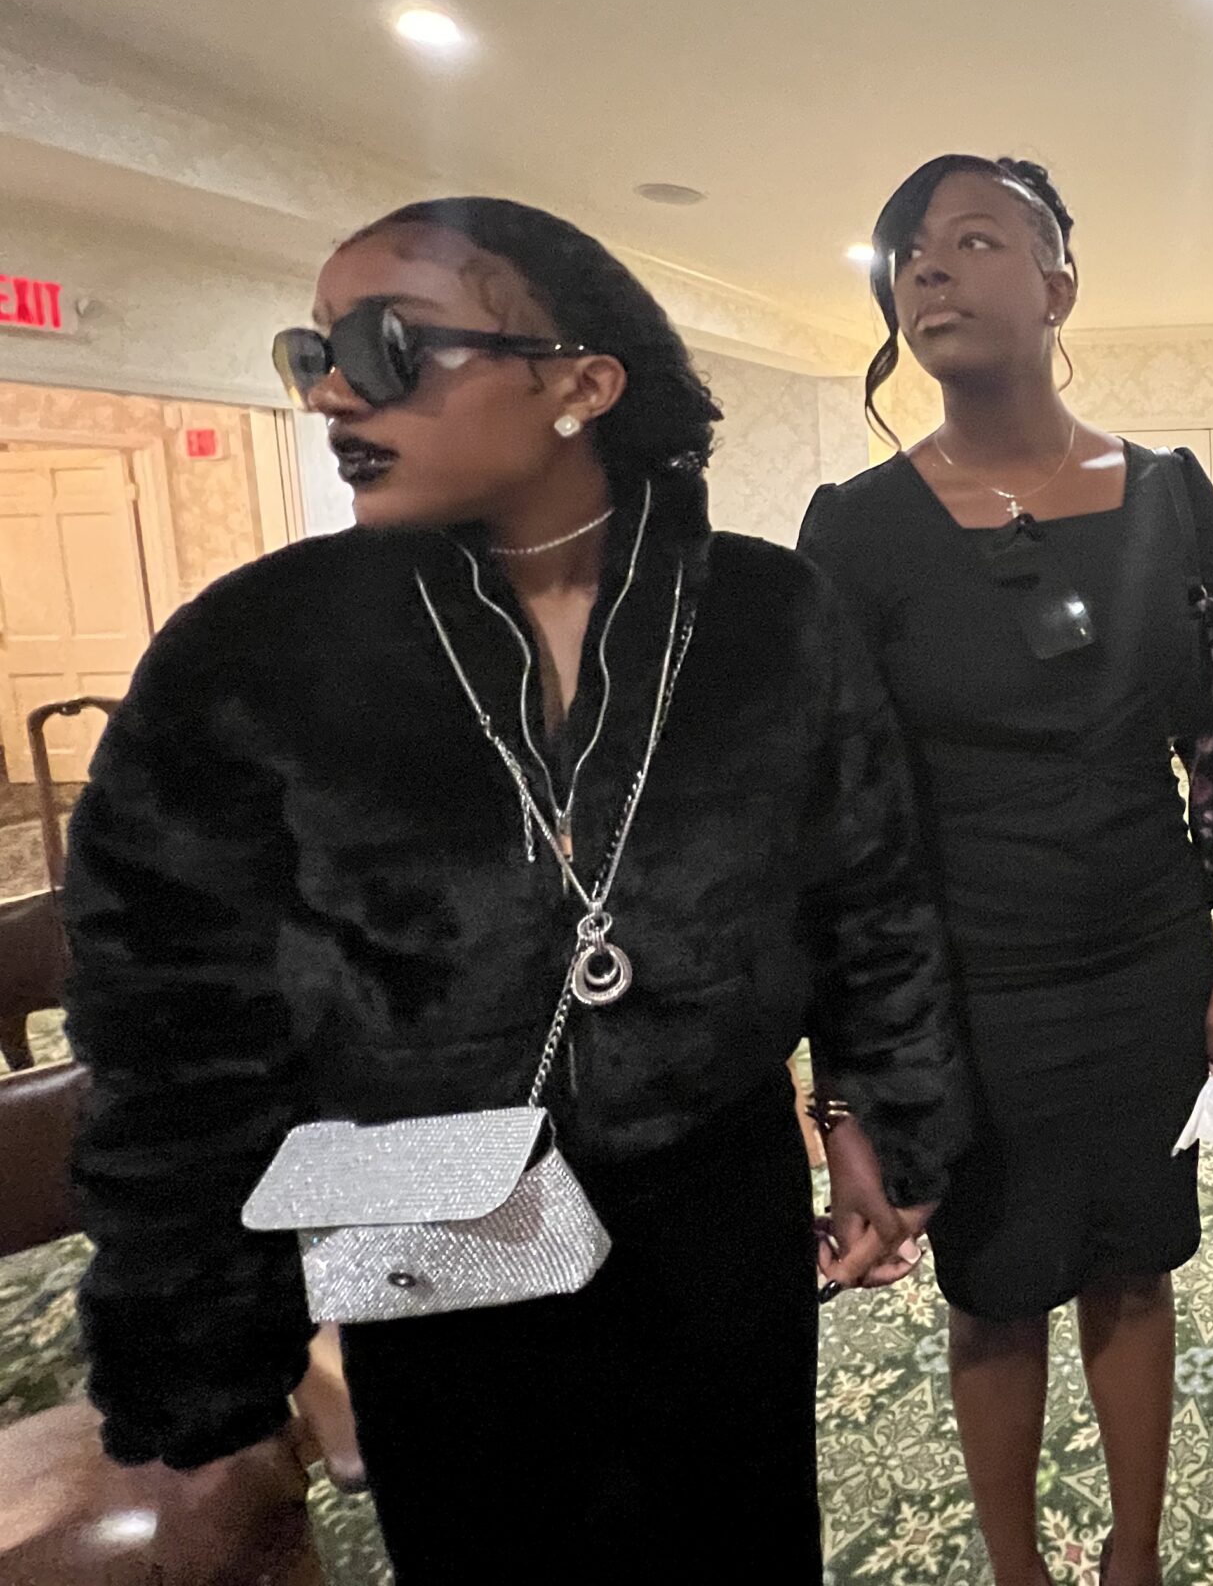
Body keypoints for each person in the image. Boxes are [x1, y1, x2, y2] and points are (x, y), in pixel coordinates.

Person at [61, 198, 968, 1582]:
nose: (335, 392)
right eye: (313, 353)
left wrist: (871, 1119)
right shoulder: (251, 653)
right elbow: (170, 1033)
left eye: (389, 345)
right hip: (420, 1203)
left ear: (580, 382)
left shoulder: (768, 617)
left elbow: (869, 899)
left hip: (712, 1192)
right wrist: (204, 1364)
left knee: (739, 1539)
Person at [796, 155, 1213, 1586]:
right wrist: (850, 1083)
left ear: (1059, 285)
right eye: (909, 251)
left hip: (1144, 960)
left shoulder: (1169, 494)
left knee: (1133, 1263)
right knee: (995, 1286)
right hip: (964, 984)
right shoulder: (856, 525)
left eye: (975, 240)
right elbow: (837, 814)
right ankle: (1018, 1572)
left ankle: (1134, 1557)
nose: (929, 269)